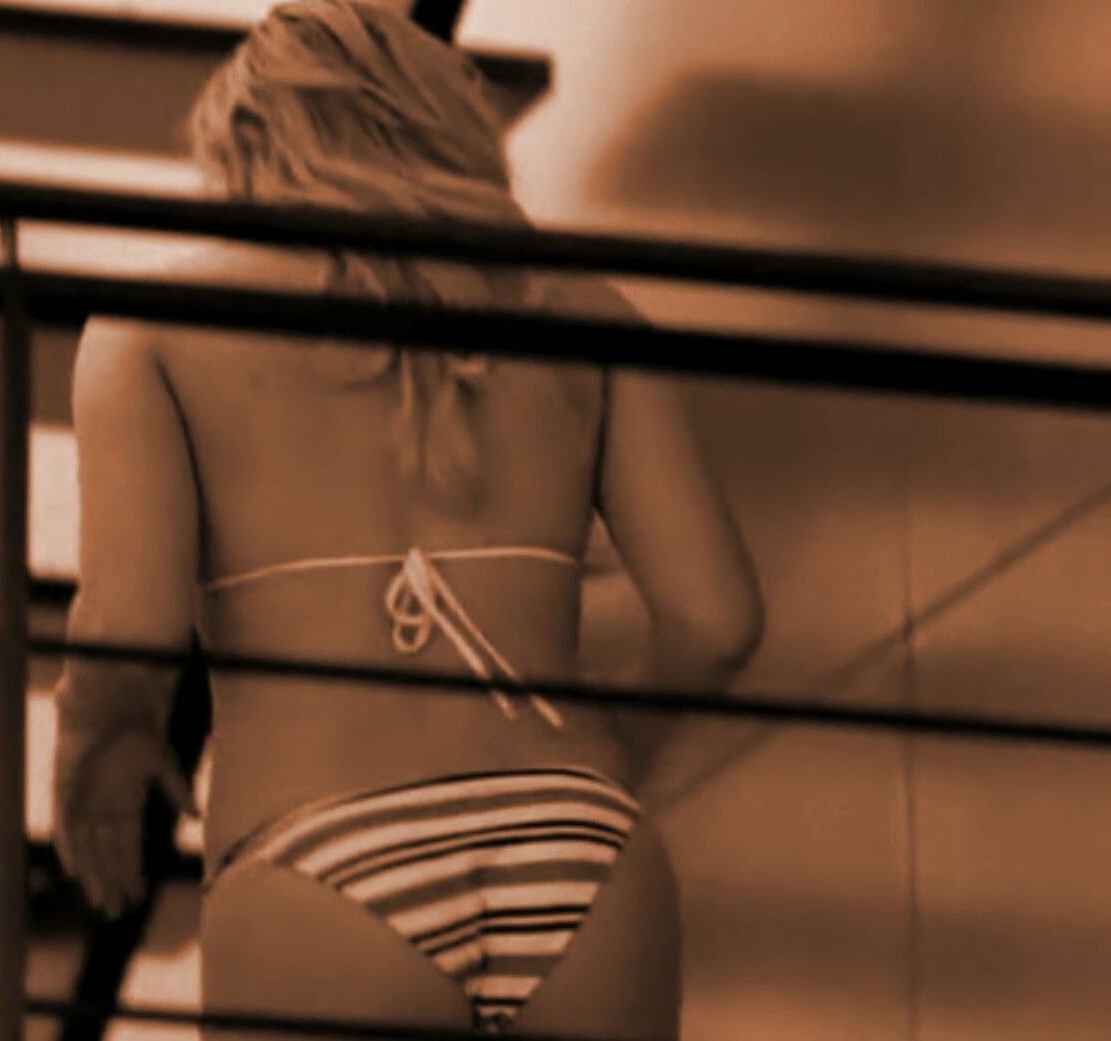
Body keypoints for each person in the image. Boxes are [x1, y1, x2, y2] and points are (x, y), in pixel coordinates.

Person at [49, 2, 764, 1038]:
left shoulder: (154, 330)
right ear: (448, 128)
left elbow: (131, 626)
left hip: (319, 855)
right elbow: (718, 620)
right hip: (579, 845)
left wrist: (98, 739)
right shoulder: (588, 312)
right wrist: (602, 764)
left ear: (243, 151)